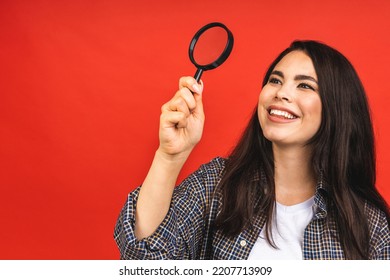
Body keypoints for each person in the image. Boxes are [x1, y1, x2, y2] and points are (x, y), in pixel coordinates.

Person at [114, 40, 390, 259]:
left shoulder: (369, 225)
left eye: (305, 85)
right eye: (275, 80)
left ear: (337, 109)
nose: (281, 93)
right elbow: (143, 260)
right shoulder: (216, 185)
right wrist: (169, 156)